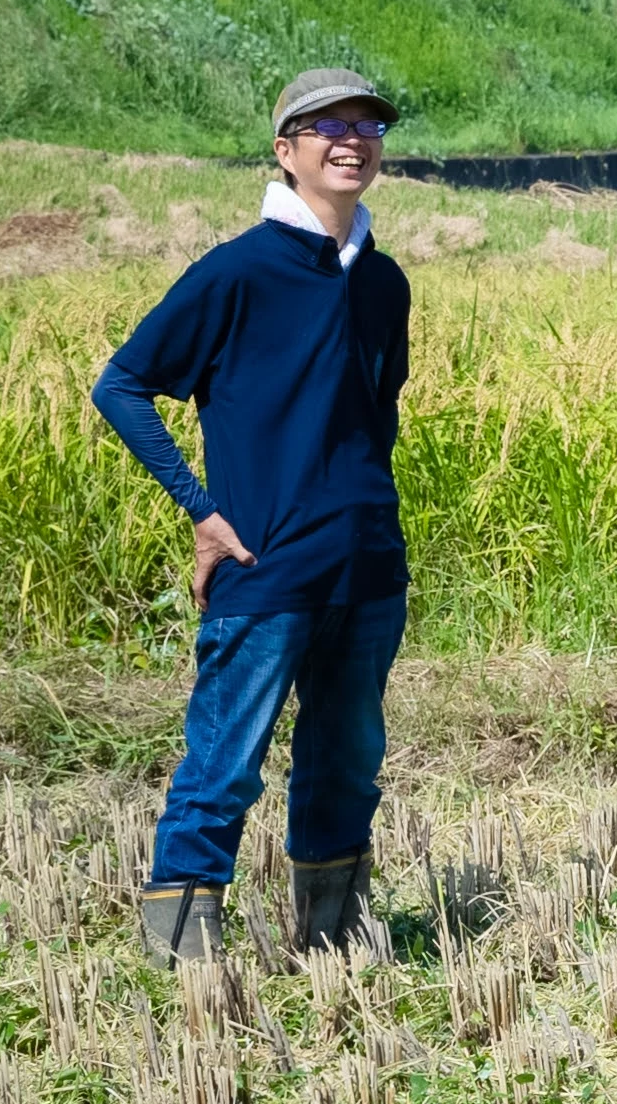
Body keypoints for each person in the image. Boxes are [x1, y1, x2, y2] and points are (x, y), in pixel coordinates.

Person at [91, 67, 415, 965]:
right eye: (326, 127)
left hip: (367, 566)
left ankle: (331, 943)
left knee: (347, 762)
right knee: (225, 765)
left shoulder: (384, 284)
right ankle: (181, 963)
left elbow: (371, 420)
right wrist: (200, 509)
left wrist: (372, 522)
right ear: (286, 151)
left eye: (366, 126)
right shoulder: (237, 271)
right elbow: (122, 386)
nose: (351, 140)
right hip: (265, 567)